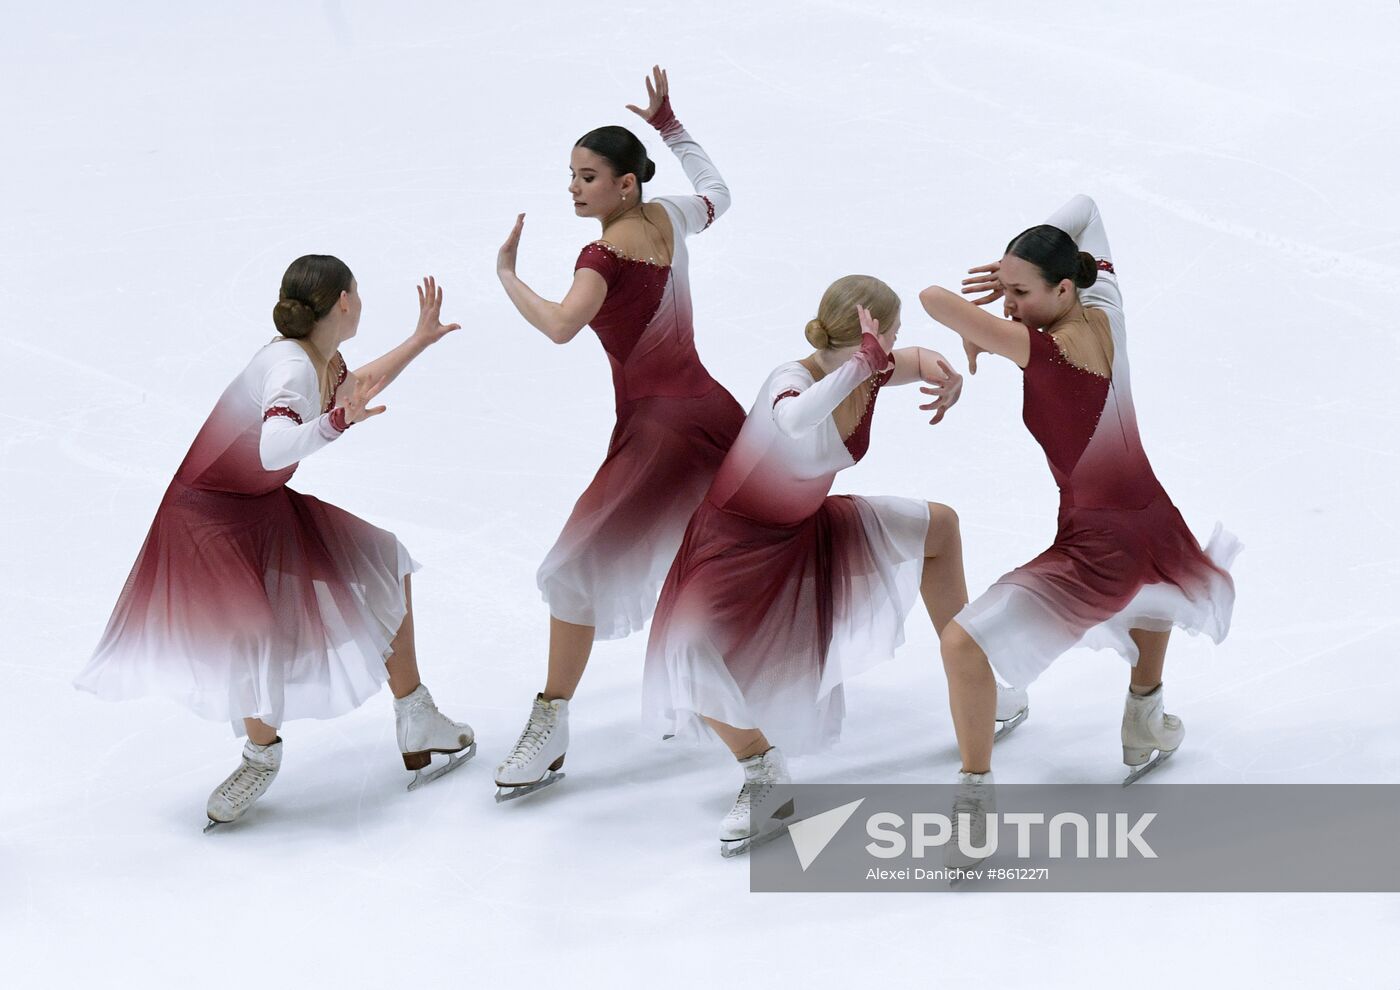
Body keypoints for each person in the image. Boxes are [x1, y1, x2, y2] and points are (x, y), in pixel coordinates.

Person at [75, 257, 476, 830]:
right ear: (342, 301)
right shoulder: (288, 367)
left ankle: (417, 716)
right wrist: (337, 424)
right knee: (252, 632)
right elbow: (273, 448)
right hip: (205, 516)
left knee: (384, 559)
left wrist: (418, 341)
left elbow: (353, 387)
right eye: (357, 292)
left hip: (260, 507)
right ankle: (259, 758)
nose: (361, 301)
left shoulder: (317, 356)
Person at [919, 194, 1240, 864]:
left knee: (961, 646)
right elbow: (1087, 209)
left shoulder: (1045, 349)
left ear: (1065, 288)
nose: (1007, 304)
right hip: (1149, 512)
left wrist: (974, 323)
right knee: (1155, 589)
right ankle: (1144, 717)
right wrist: (1026, 267)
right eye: (1003, 293)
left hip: (1098, 540)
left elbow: (931, 298)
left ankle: (975, 806)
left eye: (1019, 292)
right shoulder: (1105, 305)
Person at [644, 276, 969, 856]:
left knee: (939, 528)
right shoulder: (789, 381)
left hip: (805, 531)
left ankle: (977, 681)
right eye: (893, 334)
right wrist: (863, 365)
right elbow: (796, 420)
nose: (898, 345)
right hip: (734, 544)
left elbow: (913, 362)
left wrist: (945, 375)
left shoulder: (870, 367)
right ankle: (762, 771)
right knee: (686, 650)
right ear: (868, 336)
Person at [493, 66, 744, 798]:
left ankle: (551, 722)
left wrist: (508, 276)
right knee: (696, 558)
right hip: (713, 413)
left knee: (573, 572)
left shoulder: (601, 256)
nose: (575, 188)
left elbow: (562, 326)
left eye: (590, 177)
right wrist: (671, 127)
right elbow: (718, 193)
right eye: (571, 175)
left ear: (625, 185)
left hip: (661, 433)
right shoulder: (668, 217)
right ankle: (720, 685)